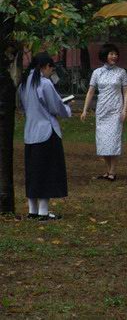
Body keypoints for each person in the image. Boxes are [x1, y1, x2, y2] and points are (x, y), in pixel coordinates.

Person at [18, 52, 72, 221]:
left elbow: (22, 107)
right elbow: (56, 107)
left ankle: (32, 209)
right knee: (47, 172)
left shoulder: (24, 84)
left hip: (30, 133)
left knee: (33, 172)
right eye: (51, 68)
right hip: (47, 132)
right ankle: (43, 211)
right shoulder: (44, 83)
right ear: (45, 67)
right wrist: (67, 109)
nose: (51, 72)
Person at [81, 44, 127, 181]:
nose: (114, 56)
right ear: (105, 56)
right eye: (111, 54)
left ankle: (113, 171)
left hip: (116, 110)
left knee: (113, 140)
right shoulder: (97, 73)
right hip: (102, 111)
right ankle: (107, 171)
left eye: (115, 54)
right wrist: (85, 109)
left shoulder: (121, 72)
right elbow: (91, 91)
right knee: (103, 141)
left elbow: (125, 92)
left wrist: (124, 109)